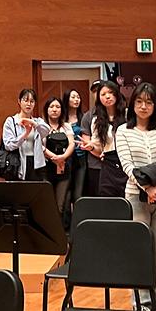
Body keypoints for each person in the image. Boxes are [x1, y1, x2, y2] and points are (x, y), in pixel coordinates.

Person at [115, 82, 156, 311]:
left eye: (149, 102)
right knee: (139, 249)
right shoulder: (123, 131)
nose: (144, 106)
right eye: (139, 101)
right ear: (132, 104)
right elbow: (127, 165)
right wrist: (147, 188)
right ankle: (141, 300)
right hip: (135, 196)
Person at [80, 80, 126, 197]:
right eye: (103, 94)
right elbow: (99, 148)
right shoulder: (96, 120)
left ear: (117, 94)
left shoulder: (127, 115)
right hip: (107, 165)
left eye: (110, 92)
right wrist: (91, 147)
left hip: (126, 163)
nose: (107, 96)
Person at [2, 89, 52, 181]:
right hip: (17, 163)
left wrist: (32, 123)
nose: (29, 104)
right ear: (19, 101)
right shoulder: (11, 121)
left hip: (36, 163)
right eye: (25, 100)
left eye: (32, 101)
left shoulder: (37, 121)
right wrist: (25, 134)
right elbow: (8, 145)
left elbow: (46, 130)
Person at [42, 94, 76, 217]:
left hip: (63, 167)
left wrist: (63, 157)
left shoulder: (66, 126)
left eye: (57, 107)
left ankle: (60, 228)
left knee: (60, 204)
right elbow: (40, 146)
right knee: (47, 203)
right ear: (46, 109)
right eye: (51, 107)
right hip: (46, 168)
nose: (54, 109)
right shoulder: (42, 126)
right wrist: (54, 157)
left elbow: (72, 143)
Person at [64, 88, 88, 218]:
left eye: (78, 97)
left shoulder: (83, 117)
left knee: (78, 194)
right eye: (73, 97)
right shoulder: (61, 117)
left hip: (80, 158)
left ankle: (78, 222)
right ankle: (66, 224)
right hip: (65, 159)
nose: (76, 100)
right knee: (66, 194)